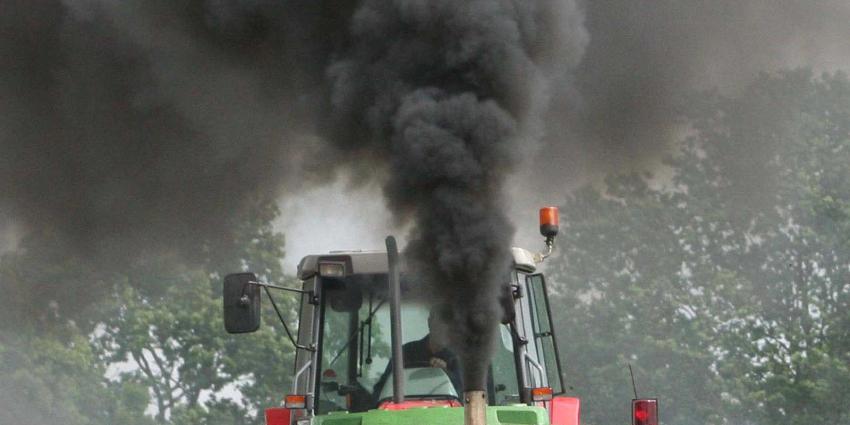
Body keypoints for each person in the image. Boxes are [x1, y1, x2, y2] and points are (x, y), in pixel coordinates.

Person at [372, 309, 463, 400]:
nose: (444, 328)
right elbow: (380, 392)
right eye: (440, 323)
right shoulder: (404, 353)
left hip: (445, 412)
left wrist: (445, 372)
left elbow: (463, 397)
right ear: (430, 323)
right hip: (404, 411)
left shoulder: (456, 359)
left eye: (448, 324)